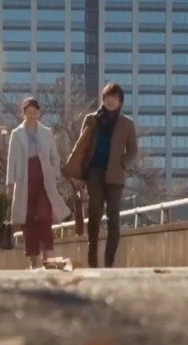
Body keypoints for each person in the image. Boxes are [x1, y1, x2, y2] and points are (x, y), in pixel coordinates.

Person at [65, 83, 138, 268]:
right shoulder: (91, 119)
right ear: (103, 99)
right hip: (94, 172)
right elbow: (81, 147)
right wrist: (78, 174)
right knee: (95, 214)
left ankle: (109, 261)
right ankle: (92, 259)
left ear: (120, 101)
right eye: (108, 97)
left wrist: (122, 162)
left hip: (115, 176)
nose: (111, 101)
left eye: (115, 97)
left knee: (113, 219)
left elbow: (133, 151)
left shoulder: (127, 124)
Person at [5, 97, 71, 269]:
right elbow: (11, 160)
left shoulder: (46, 132)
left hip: (43, 179)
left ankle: (47, 255)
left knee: (44, 215)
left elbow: (55, 156)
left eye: (34, 112)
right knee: (27, 218)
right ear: (24, 113)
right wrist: (10, 182)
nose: (32, 115)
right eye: (29, 112)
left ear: (38, 113)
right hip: (24, 180)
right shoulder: (17, 134)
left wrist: (54, 173)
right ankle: (33, 258)